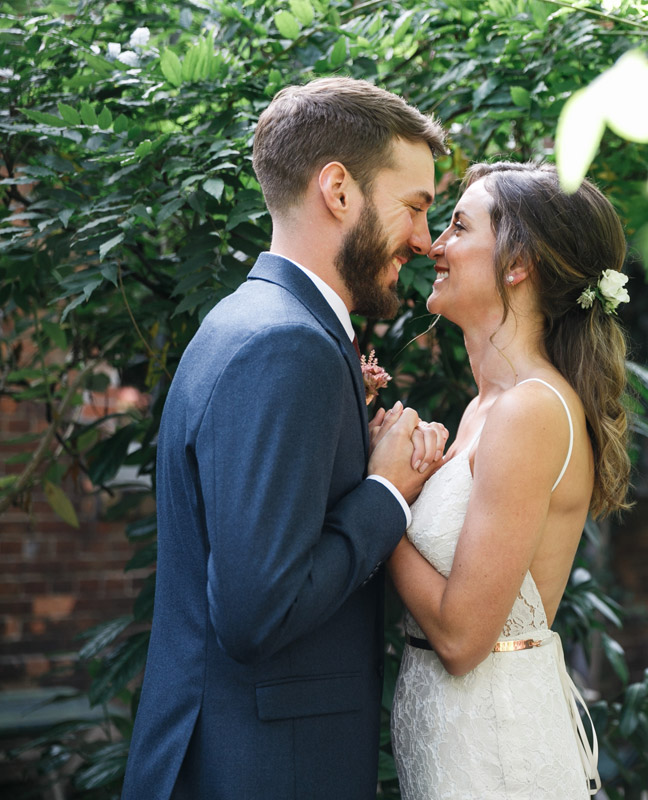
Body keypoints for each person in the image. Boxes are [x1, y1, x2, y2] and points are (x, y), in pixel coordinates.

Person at [122, 77, 450, 800]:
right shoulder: (285, 346)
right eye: (416, 207)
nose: (426, 240)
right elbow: (256, 611)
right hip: (263, 769)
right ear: (338, 189)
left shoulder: (250, 321)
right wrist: (387, 493)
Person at [385, 162, 632, 798]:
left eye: (459, 227)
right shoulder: (483, 409)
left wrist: (377, 496)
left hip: (494, 752)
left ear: (516, 263)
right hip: (451, 739)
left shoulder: (531, 411)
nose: (435, 246)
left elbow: (464, 638)